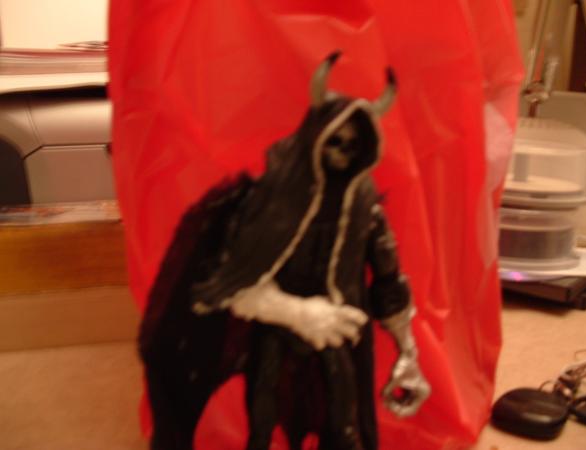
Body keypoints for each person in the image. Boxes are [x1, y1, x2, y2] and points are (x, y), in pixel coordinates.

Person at [140, 52, 430, 450]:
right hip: (274, 334)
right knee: (263, 420)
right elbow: (232, 279)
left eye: (353, 146)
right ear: (315, 139)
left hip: (340, 333)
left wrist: (407, 353)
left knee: (344, 425)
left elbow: (389, 282)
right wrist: (295, 313)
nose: (341, 154)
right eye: (334, 142)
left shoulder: (365, 211)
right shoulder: (268, 201)